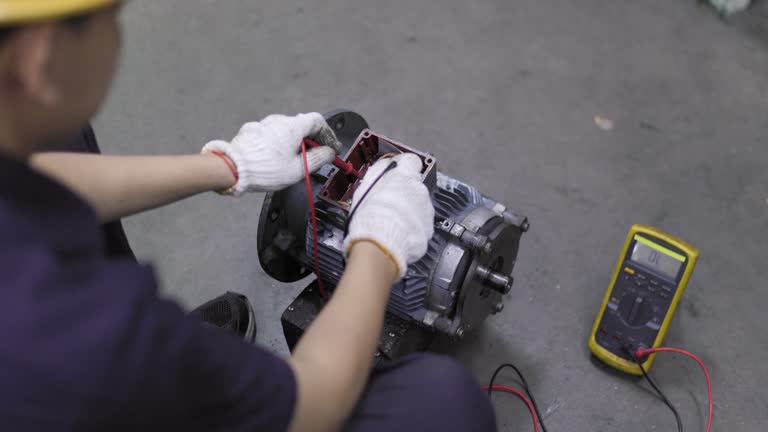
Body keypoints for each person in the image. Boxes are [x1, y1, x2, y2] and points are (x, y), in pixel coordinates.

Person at [0, 1, 497, 431]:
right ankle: (183, 372)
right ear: (38, 59)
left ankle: (186, 369)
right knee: (442, 404)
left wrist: (224, 166)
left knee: (64, 136)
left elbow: (39, 178)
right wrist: (379, 251)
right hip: (75, 382)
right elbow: (310, 407)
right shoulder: (76, 335)